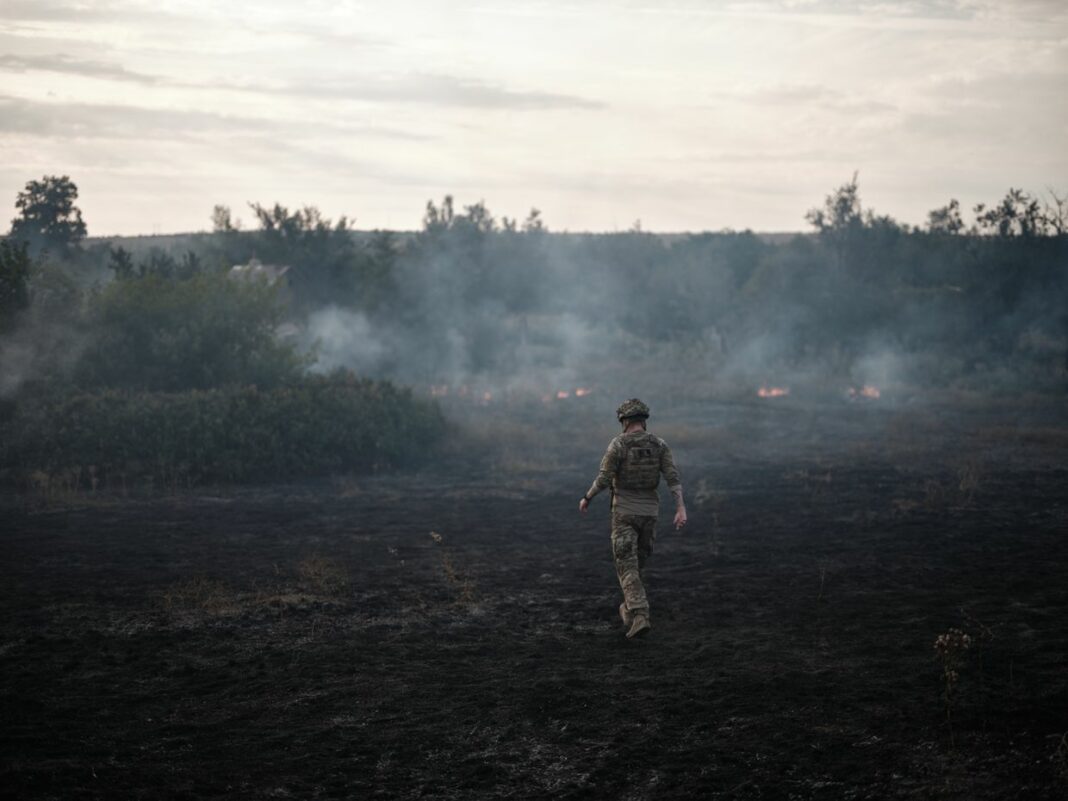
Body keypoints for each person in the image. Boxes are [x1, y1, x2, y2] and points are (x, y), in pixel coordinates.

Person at [579, 398, 686, 639]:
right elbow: (672, 477)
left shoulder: (618, 445)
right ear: (643, 421)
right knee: (636, 565)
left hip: (625, 513)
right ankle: (628, 608)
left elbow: (604, 478)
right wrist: (681, 508)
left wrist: (587, 497)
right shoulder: (659, 445)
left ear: (624, 421)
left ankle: (639, 614)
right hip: (650, 514)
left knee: (627, 566)